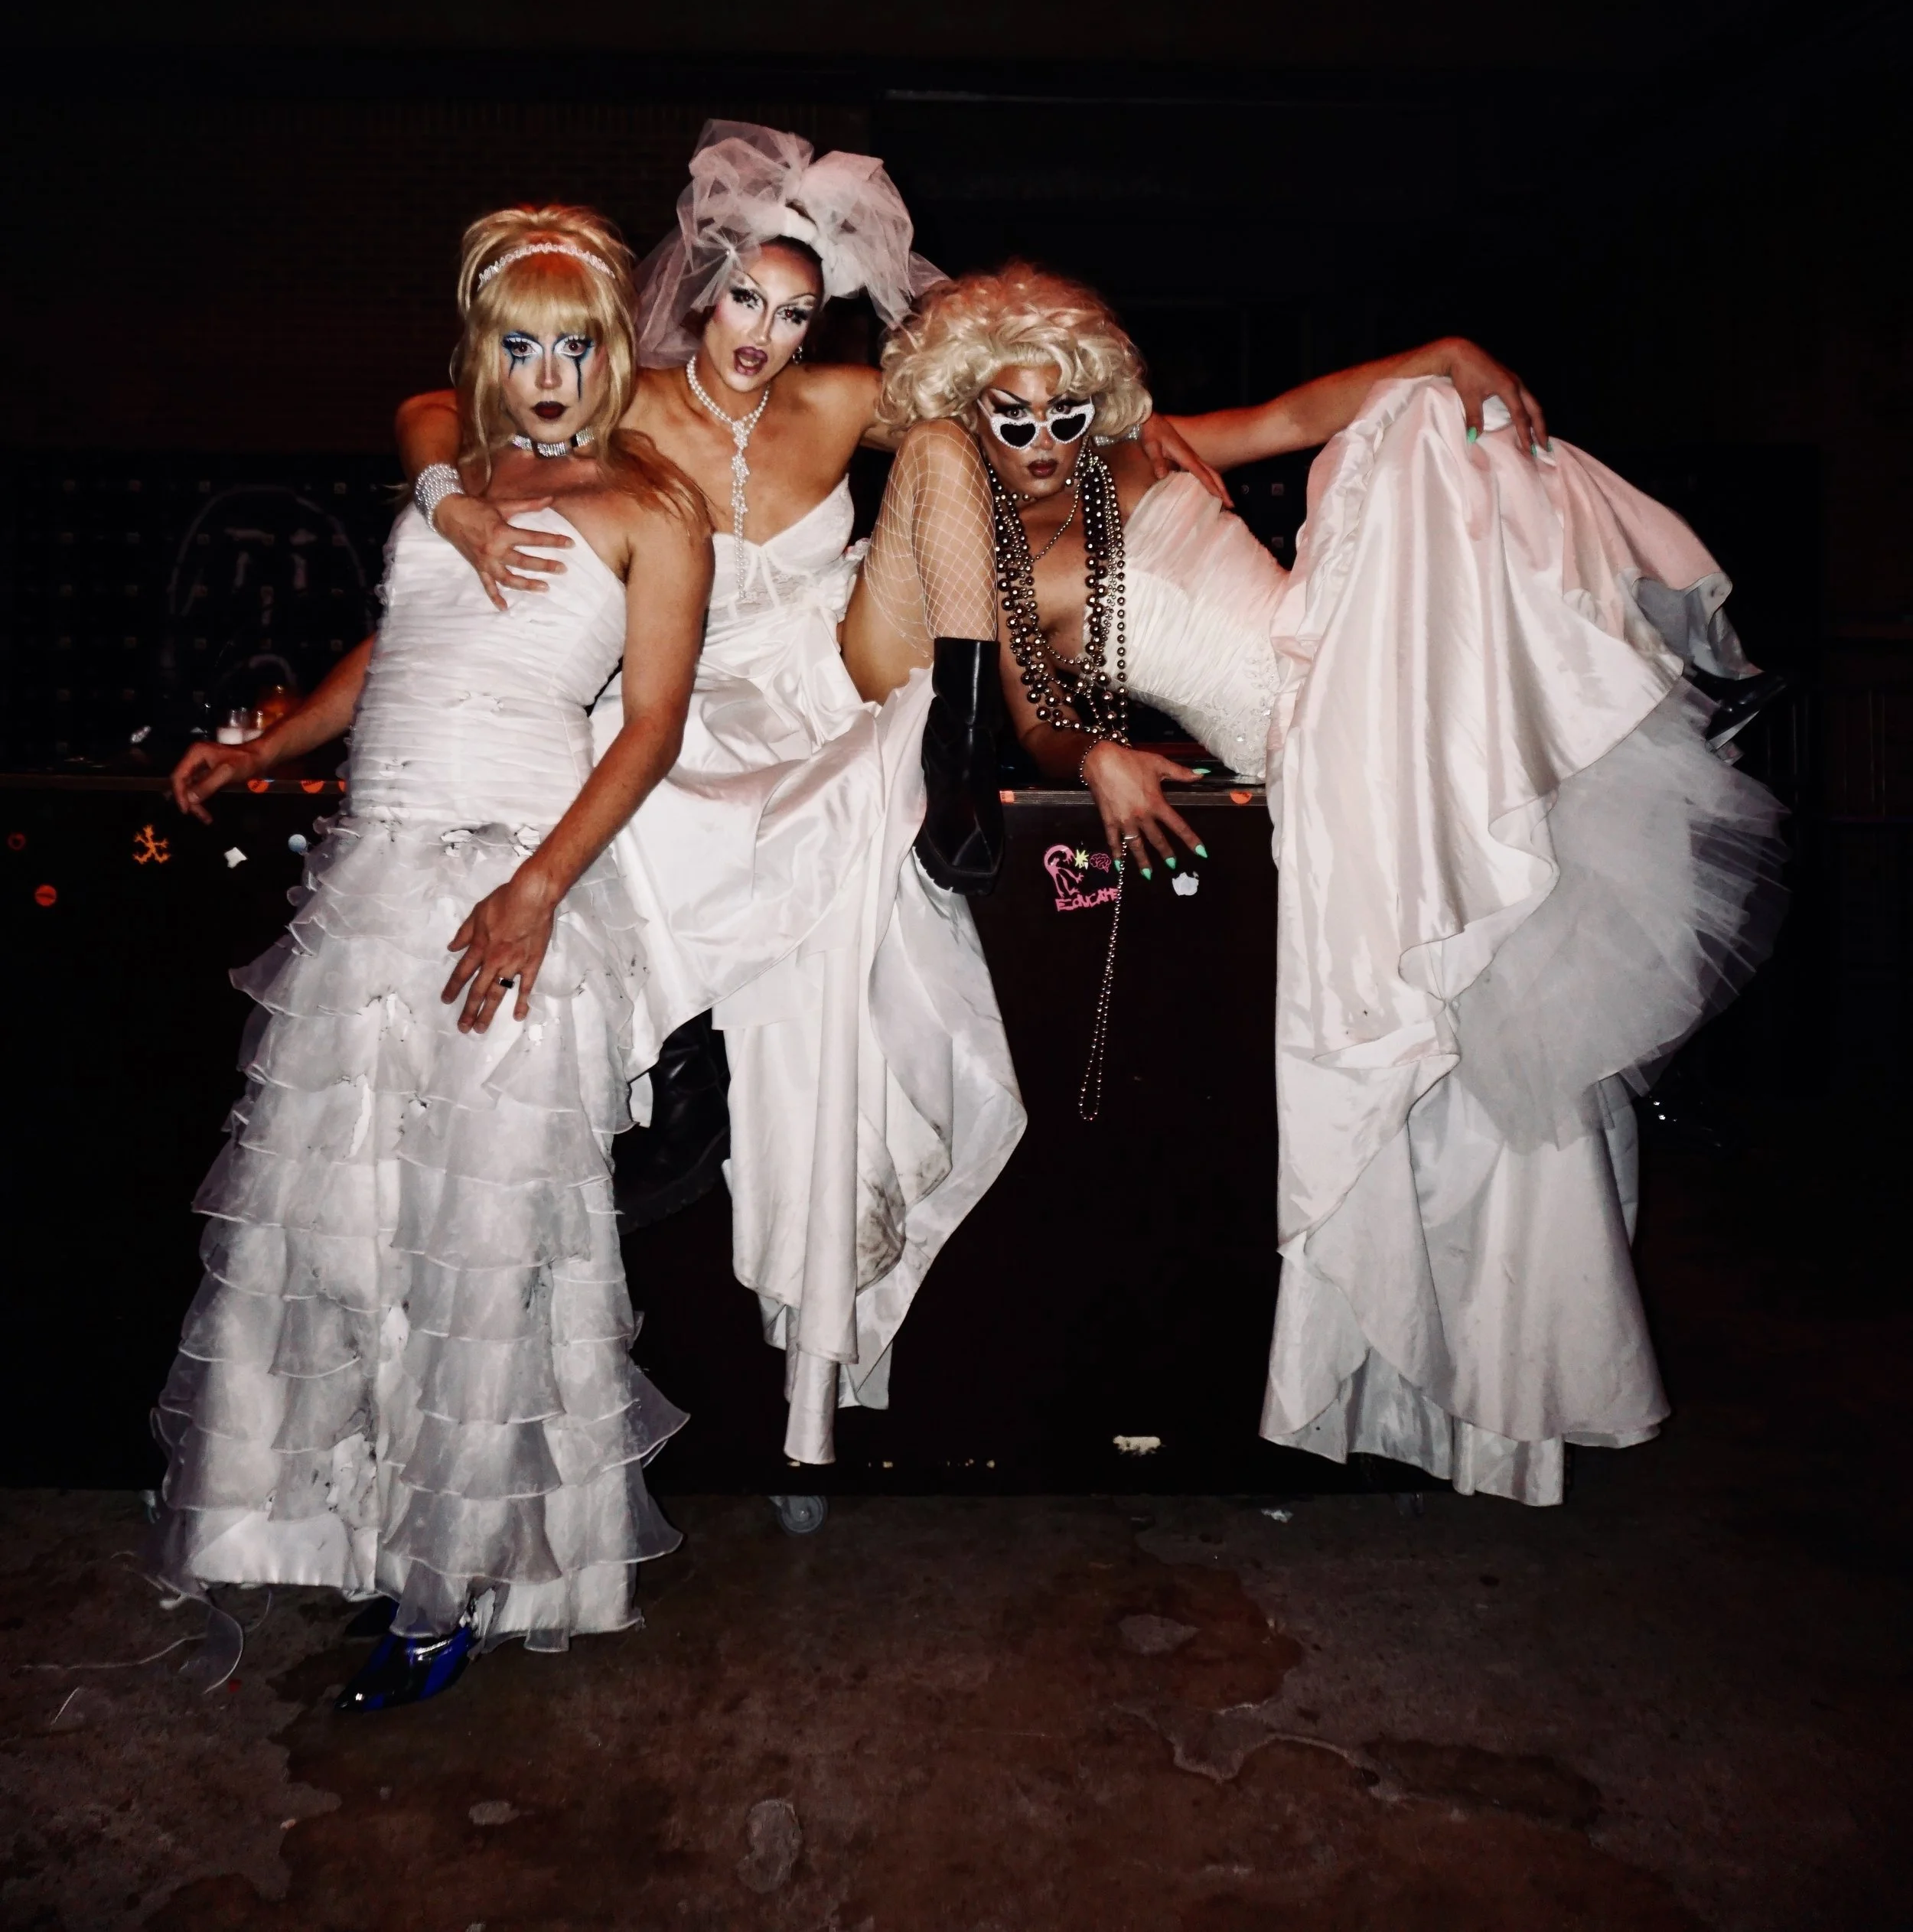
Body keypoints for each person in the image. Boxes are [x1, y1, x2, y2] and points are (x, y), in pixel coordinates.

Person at [873, 262, 1786, 1505]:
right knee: (1444, 1035)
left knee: (1418, 425)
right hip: (1312, 757)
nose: (1042, 442)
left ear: (1095, 398)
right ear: (968, 414)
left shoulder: (1151, 450)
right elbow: (1032, 712)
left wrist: (1447, 349)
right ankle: (1456, 1401)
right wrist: (1089, 751)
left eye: (1063, 411)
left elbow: (1310, 414)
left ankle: (1623, 646)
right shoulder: (993, 547)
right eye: (1009, 418)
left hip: (1352, 670)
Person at [395, 133, 1207, 1464]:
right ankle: (684, 1065)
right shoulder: (622, 400)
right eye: (742, 303)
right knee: (642, 805)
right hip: (686, 693)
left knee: (946, 445)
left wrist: (1127, 425)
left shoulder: (837, 402)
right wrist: (448, 500)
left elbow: (1007, 406)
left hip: (841, 672)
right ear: (698, 292)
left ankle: (951, 760)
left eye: (792, 309)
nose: (764, 336)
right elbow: (441, 411)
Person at [152, 214, 712, 1708]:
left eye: (574, 342)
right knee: (350, 1229)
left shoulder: (654, 502)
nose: (546, 373)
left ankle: (459, 1579)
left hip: (506, 892)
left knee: (486, 1245)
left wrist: (538, 888)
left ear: (612, 352)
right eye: (518, 344)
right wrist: (267, 740)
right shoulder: (451, 469)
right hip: (374, 887)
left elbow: (647, 725)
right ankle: (377, 1535)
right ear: (486, 352)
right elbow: (393, 648)